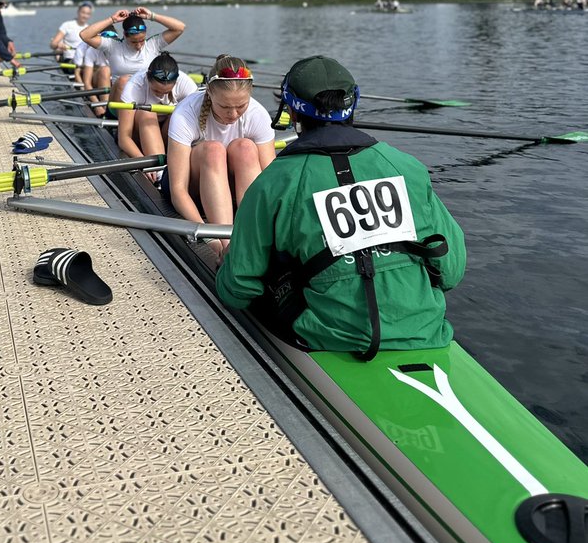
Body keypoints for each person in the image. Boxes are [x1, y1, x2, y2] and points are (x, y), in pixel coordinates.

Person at [216, 55, 466, 358]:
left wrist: (224, 266)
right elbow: (451, 271)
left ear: (293, 112)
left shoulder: (272, 182)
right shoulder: (407, 167)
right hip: (425, 327)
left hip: (325, 335)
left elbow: (239, 289)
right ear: (353, 103)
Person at [166, 54, 275, 263]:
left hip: (233, 188)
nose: (233, 114)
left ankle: (250, 235)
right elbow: (178, 190)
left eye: (241, 106)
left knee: (245, 147)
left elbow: (270, 184)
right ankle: (226, 243)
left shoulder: (258, 114)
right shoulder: (185, 113)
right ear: (209, 92)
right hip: (194, 188)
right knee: (214, 150)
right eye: (225, 107)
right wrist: (209, 238)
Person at [79, 7, 186, 103]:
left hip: (146, 101)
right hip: (120, 101)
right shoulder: (112, 46)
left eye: (142, 40)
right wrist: (112, 19)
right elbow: (85, 35)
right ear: (125, 35)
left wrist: (151, 16)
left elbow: (180, 28)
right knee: (124, 81)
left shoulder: (153, 44)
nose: (139, 46)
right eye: (134, 42)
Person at [116, 51, 198, 159]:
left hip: (168, 133)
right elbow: (124, 139)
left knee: (181, 114)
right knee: (147, 114)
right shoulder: (134, 86)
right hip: (139, 133)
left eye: (166, 92)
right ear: (147, 77)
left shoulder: (187, 84)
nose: (161, 95)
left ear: (176, 81)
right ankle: (158, 169)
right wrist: (142, 161)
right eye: (156, 91)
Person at [51, 2, 93, 84]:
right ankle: (84, 87)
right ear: (78, 12)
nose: (84, 16)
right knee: (85, 64)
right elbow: (53, 44)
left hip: (85, 60)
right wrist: (59, 45)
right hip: (70, 61)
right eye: (83, 12)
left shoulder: (89, 28)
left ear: (90, 15)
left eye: (87, 14)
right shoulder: (67, 25)